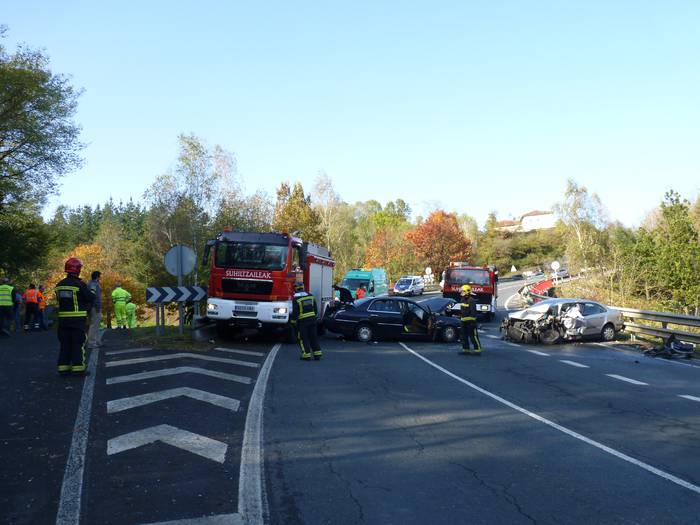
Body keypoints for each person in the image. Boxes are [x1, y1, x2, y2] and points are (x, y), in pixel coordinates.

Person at [55, 257, 95, 376]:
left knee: (65, 345)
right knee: (78, 344)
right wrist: (92, 290)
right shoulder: (80, 284)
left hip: (63, 321)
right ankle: (78, 369)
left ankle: (63, 369)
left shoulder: (59, 285)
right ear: (77, 270)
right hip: (77, 320)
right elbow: (90, 297)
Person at [290, 282, 323, 361]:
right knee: (313, 337)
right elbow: (315, 309)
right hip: (312, 320)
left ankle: (306, 354)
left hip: (303, 322)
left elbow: (295, 312)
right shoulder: (311, 296)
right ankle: (317, 353)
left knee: (302, 338)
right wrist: (313, 317)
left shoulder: (296, 299)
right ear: (303, 288)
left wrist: (293, 322)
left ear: (295, 289)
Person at [459, 284, 482, 355]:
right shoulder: (462, 299)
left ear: (467, 292)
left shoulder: (471, 300)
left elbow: (473, 312)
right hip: (463, 321)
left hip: (470, 322)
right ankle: (466, 349)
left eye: (463, 291)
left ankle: (477, 350)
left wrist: (472, 321)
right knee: (463, 336)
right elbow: (462, 310)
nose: (461, 292)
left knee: (473, 336)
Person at [87, 271, 103, 348]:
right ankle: (91, 343)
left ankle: (97, 341)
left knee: (96, 324)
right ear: (97, 277)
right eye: (100, 276)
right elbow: (93, 296)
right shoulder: (93, 284)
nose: (101, 277)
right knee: (94, 325)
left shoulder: (93, 283)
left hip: (95, 306)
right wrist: (97, 306)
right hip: (95, 307)